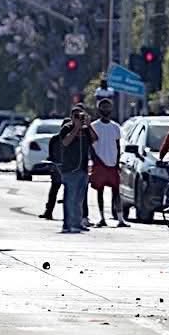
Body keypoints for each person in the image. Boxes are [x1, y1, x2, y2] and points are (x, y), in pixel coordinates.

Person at [90, 99, 127, 227]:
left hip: (113, 164)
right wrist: (95, 159)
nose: (105, 110)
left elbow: (118, 146)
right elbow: (90, 145)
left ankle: (120, 219)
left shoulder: (116, 127)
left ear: (111, 110)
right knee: (99, 191)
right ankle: (102, 218)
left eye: (108, 107)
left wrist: (117, 162)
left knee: (116, 192)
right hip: (99, 163)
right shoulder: (94, 126)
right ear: (99, 110)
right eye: (103, 107)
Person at [59, 105, 96, 234]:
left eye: (80, 116)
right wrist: (76, 127)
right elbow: (65, 142)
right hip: (70, 168)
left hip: (83, 169)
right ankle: (68, 224)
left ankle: (77, 222)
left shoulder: (86, 130)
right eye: (76, 116)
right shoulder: (66, 128)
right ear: (71, 118)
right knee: (70, 198)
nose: (78, 119)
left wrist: (89, 125)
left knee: (80, 199)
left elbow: (95, 139)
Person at [40, 122, 64, 221]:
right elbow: (51, 154)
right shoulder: (55, 139)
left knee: (71, 192)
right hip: (57, 168)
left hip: (71, 168)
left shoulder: (75, 138)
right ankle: (48, 211)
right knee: (54, 190)